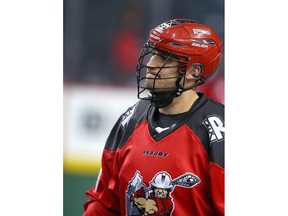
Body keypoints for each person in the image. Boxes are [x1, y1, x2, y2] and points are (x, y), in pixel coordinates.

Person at [83, 18, 224, 216]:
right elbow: (104, 203)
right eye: (153, 54)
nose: (150, 65)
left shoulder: (219, 133)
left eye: (164, 58)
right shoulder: (131, 119)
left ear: (194, 71)